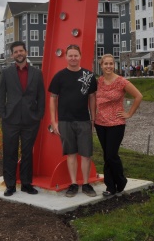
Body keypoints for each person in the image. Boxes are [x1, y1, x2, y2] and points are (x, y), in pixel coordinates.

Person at [49, 44, 98, 198]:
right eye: (70, 55)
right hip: (65, 121)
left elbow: (92, 98)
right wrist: (54, 120)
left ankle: (86, 184)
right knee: (71, 154)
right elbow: (53, 99)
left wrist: (93, 118)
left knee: (86, 154)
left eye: (75, 55)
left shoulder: (89, 76)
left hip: (84, 120)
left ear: (80, 56)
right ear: (66, 57)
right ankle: (73, 184)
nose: (73, 58)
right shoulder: (59, 76)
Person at [0, 41, 45, 196]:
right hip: (10, 120)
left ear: (26, 52)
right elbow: (0, 96)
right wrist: (3, 114)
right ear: (12, 55)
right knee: (9, 152)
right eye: (16, 52)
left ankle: (26, 184)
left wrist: (38, 115)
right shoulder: (6, 73)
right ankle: (10, 185)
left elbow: (41, 96)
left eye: (21, 51)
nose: (19, 54)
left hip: (31, 120)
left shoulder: (37, 73)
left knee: (27, 153)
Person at [94, 54, 143, 197]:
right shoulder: (99, 81)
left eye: (111, 64)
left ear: (114, 65)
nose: (108, 66)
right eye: (105, 64)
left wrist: (129, 114)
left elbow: (138, 96)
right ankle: (111, 187)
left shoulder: (121, 82)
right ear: (101, 65)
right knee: (106, 156)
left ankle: (121, 181)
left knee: (111, 155)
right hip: (100, 123)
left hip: (116, 123)